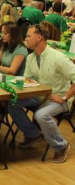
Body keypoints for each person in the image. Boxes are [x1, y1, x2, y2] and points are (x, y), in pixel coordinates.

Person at [8, 25, 74, 163]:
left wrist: (65, 97)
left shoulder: (58, 57)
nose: (25, 39)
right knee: (12, 103)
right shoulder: (31, 57)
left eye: (28, 36)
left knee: (41, 115)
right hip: (39, 96)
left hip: (58, 98)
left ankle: (61, 146)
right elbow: (27, 80)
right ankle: (33, 134)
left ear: (40, 38)